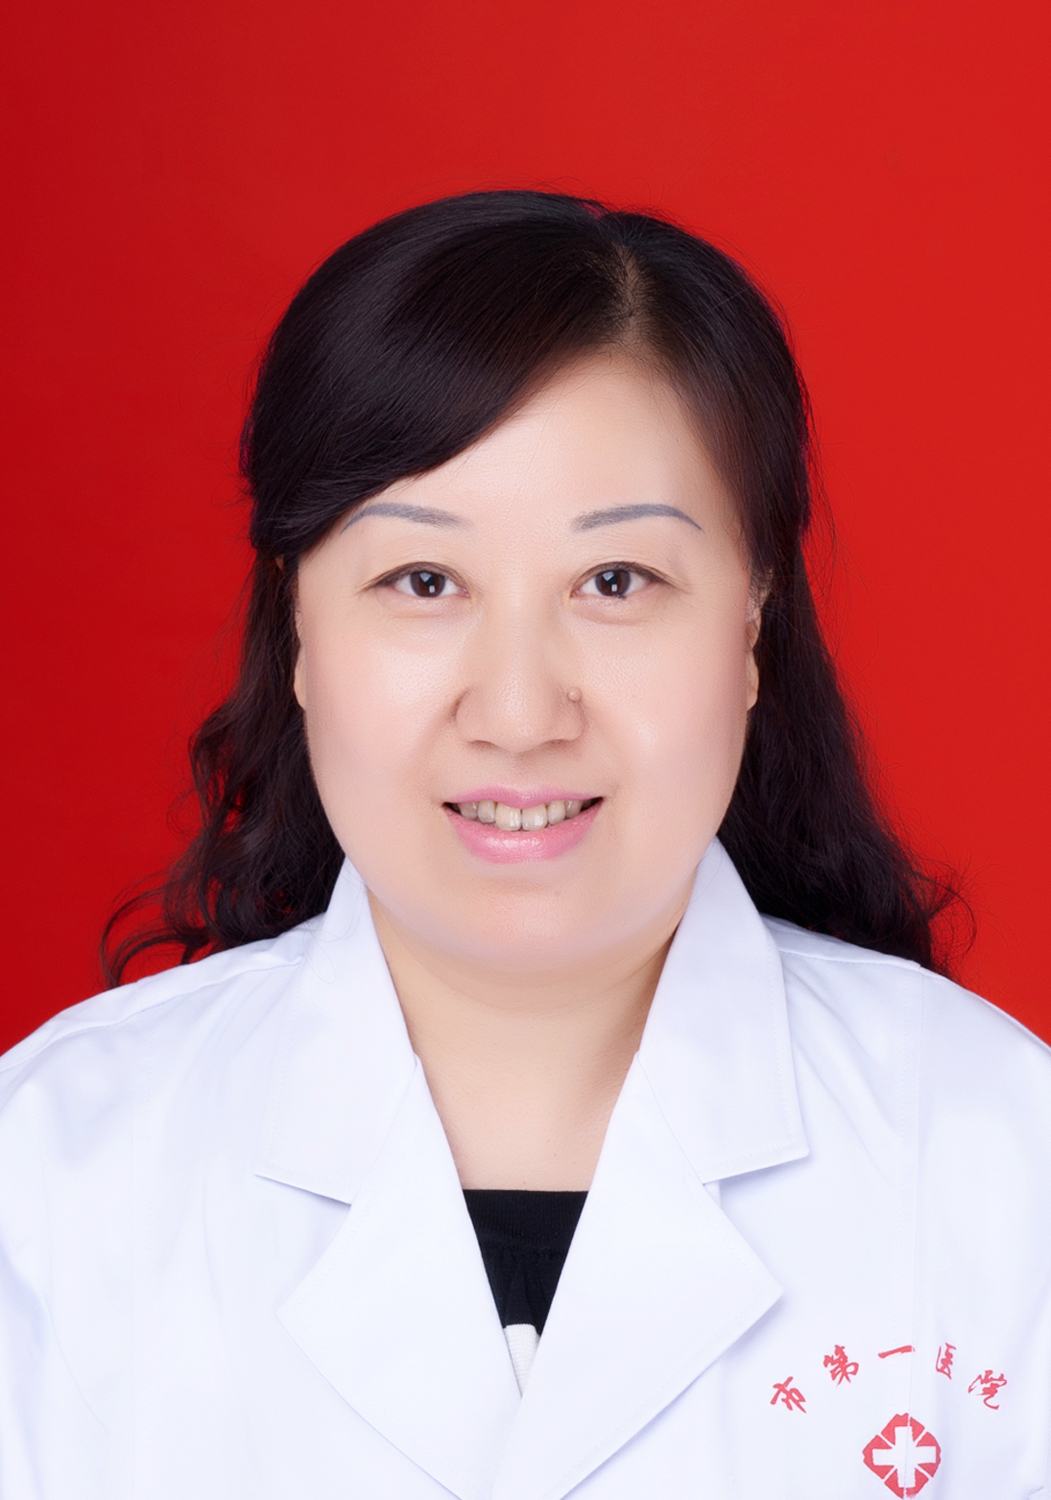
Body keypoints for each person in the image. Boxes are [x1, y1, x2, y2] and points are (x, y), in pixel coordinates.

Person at [1, 188, 1048, 1500]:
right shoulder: (54, 1171)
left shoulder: (1001, 1157)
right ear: (300, 627)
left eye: (616, 583)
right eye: (423, 582)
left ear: (753, 620)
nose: (517, 711)